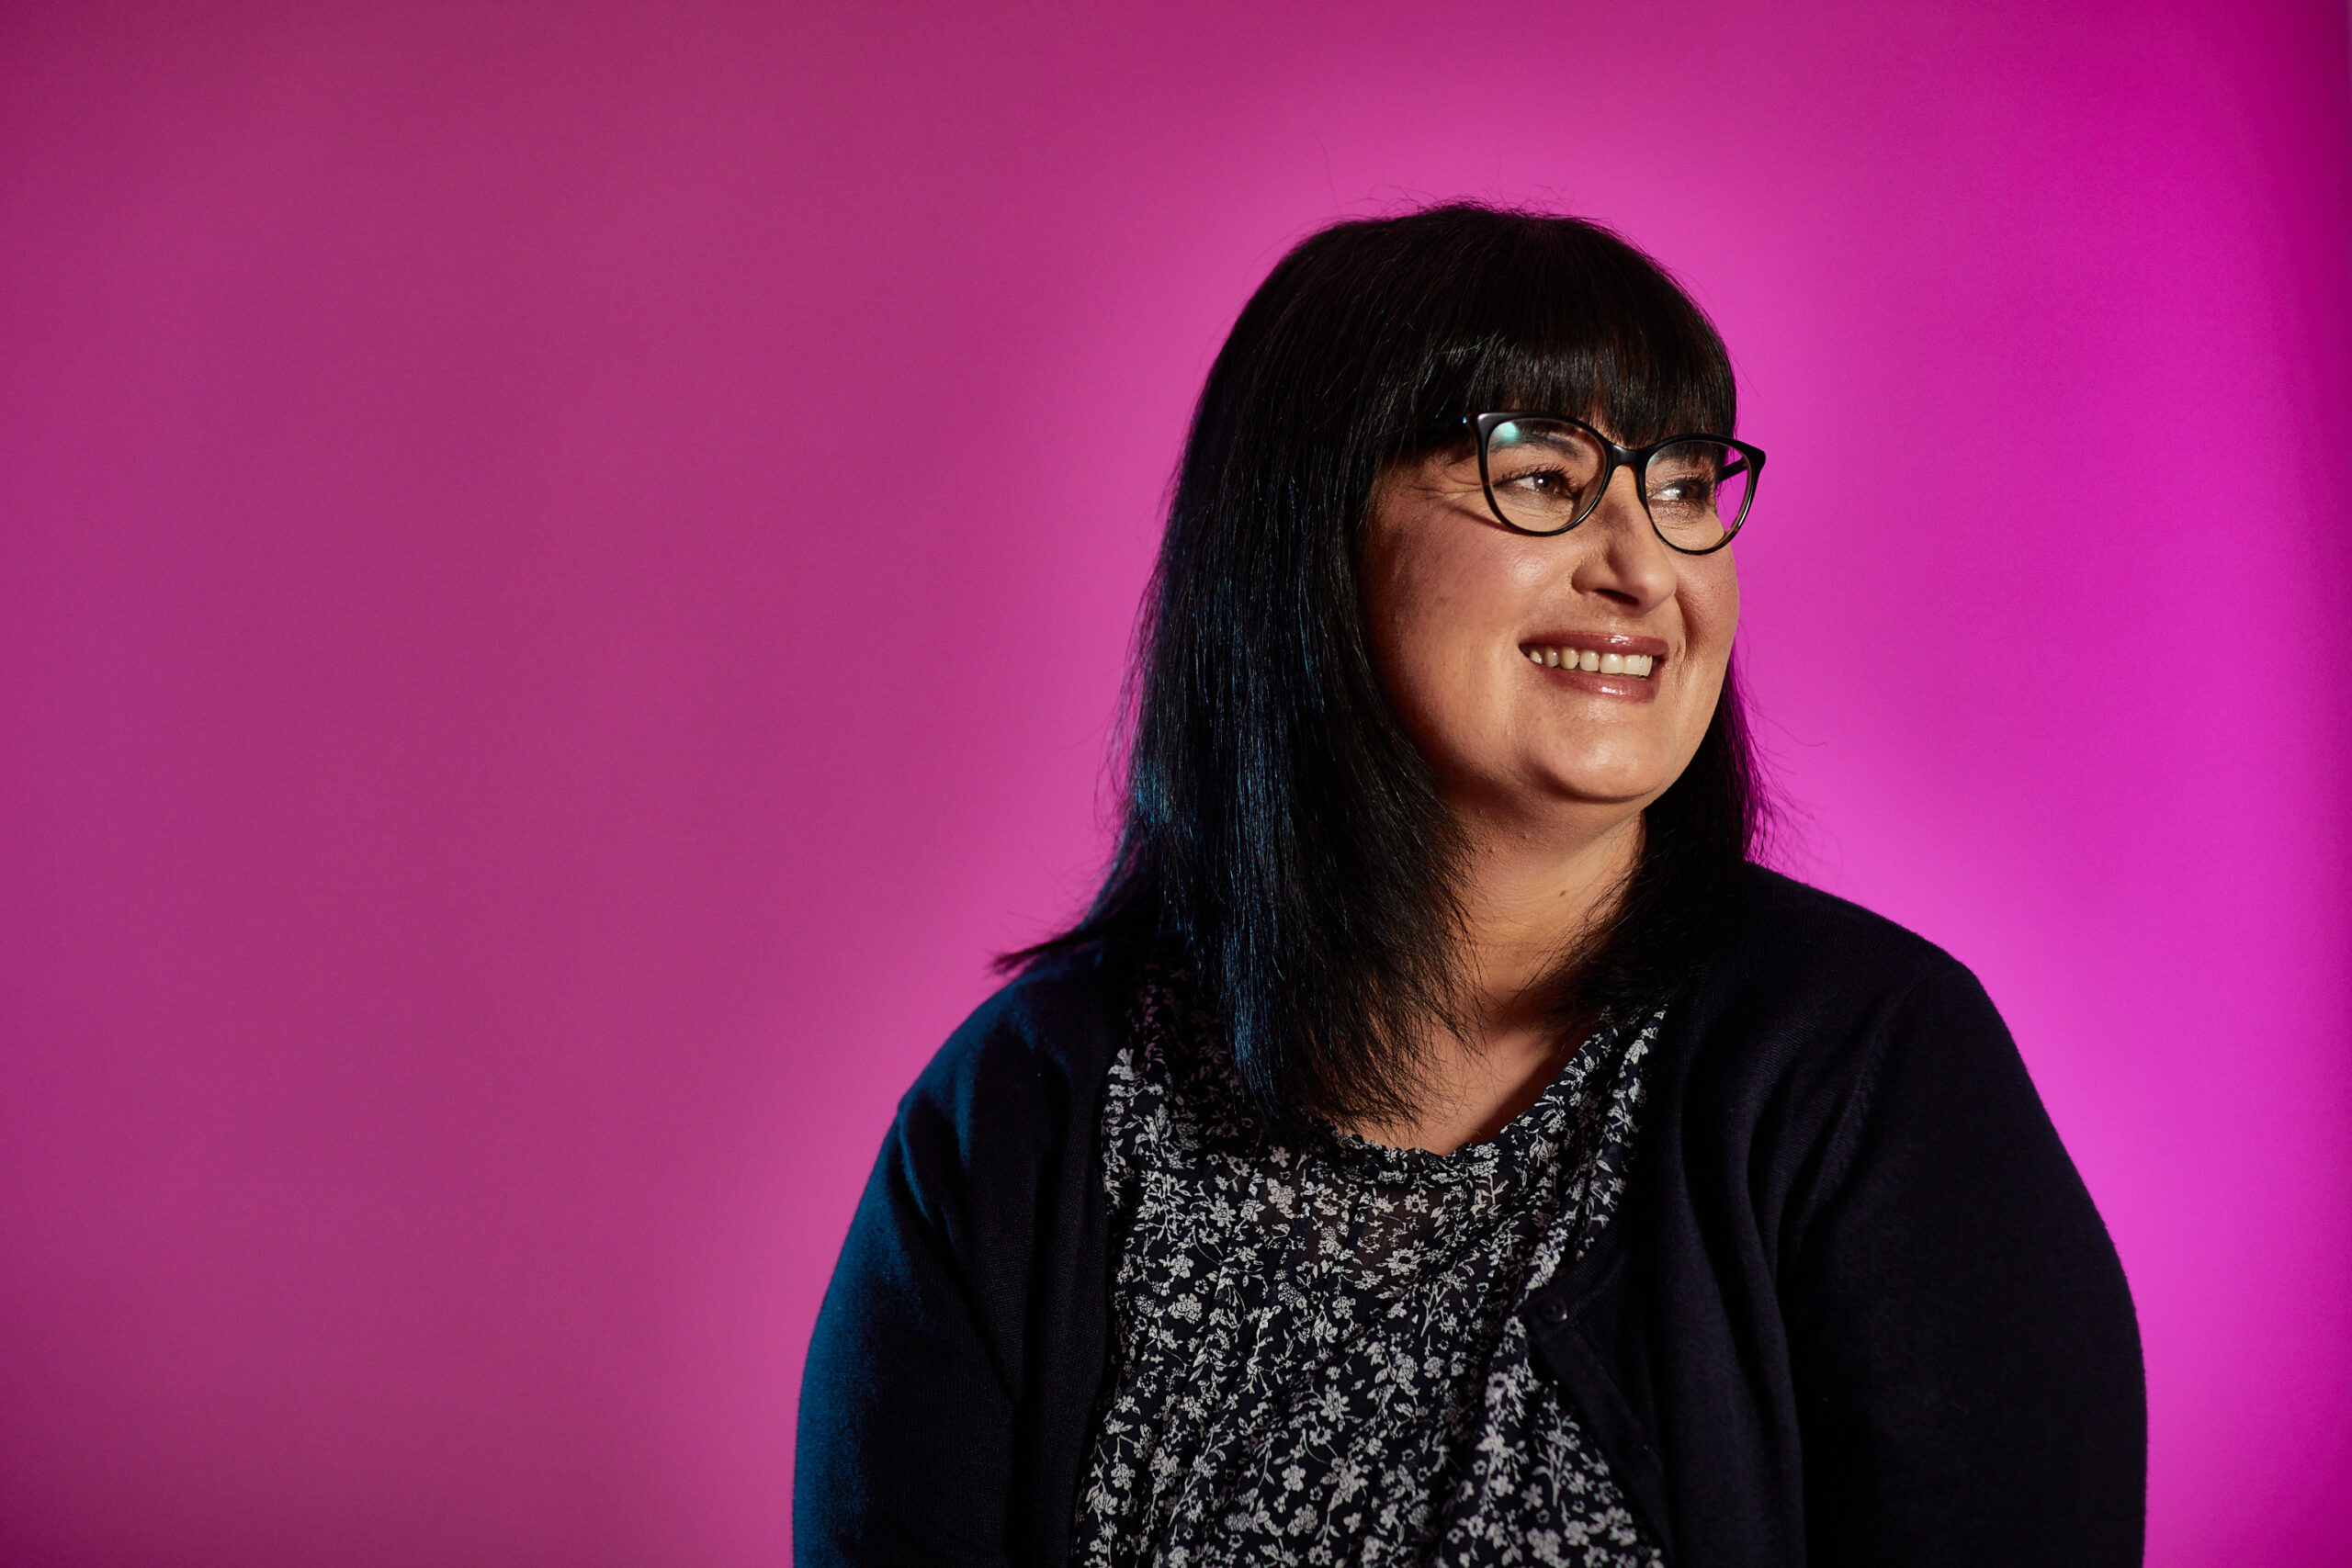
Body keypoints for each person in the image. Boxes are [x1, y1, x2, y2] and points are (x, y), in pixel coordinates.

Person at [793, 204, 2144, 1567]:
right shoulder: (1019, 1118)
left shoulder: (1874, 1071)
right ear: (1308, 536)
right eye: (1544, 477)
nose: (1644, 565)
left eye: (1681, 485)